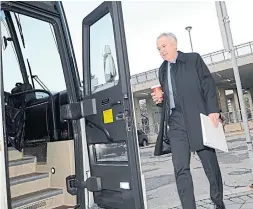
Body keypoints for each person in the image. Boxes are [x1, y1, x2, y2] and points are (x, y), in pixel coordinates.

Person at [152, 32, 225, 209]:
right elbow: (169, 97)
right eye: (158, 48)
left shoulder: (193, 60)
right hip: (176, 123)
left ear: (174, 44)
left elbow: (208, 84)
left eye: (164, 46)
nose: (161, 51)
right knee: (180, 169)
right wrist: (161, 101)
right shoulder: (162, 69)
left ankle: (217, 202)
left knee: (210, 166)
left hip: (198, 118)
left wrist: (213, 110)